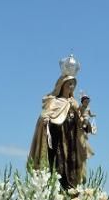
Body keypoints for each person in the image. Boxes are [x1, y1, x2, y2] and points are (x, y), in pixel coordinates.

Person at [27, 56, 95, 188]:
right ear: (62, 85)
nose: (71, 87)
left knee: (71, 170)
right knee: (58, 168)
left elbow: (80, 121)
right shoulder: (54, 102)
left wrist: (86, 125)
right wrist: (46, 121)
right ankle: (58, 194)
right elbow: (43, 118)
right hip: (58, 142)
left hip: (71, 144)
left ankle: (70, 194)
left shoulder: (74, 103)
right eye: (69, 84)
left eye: (73, 84)